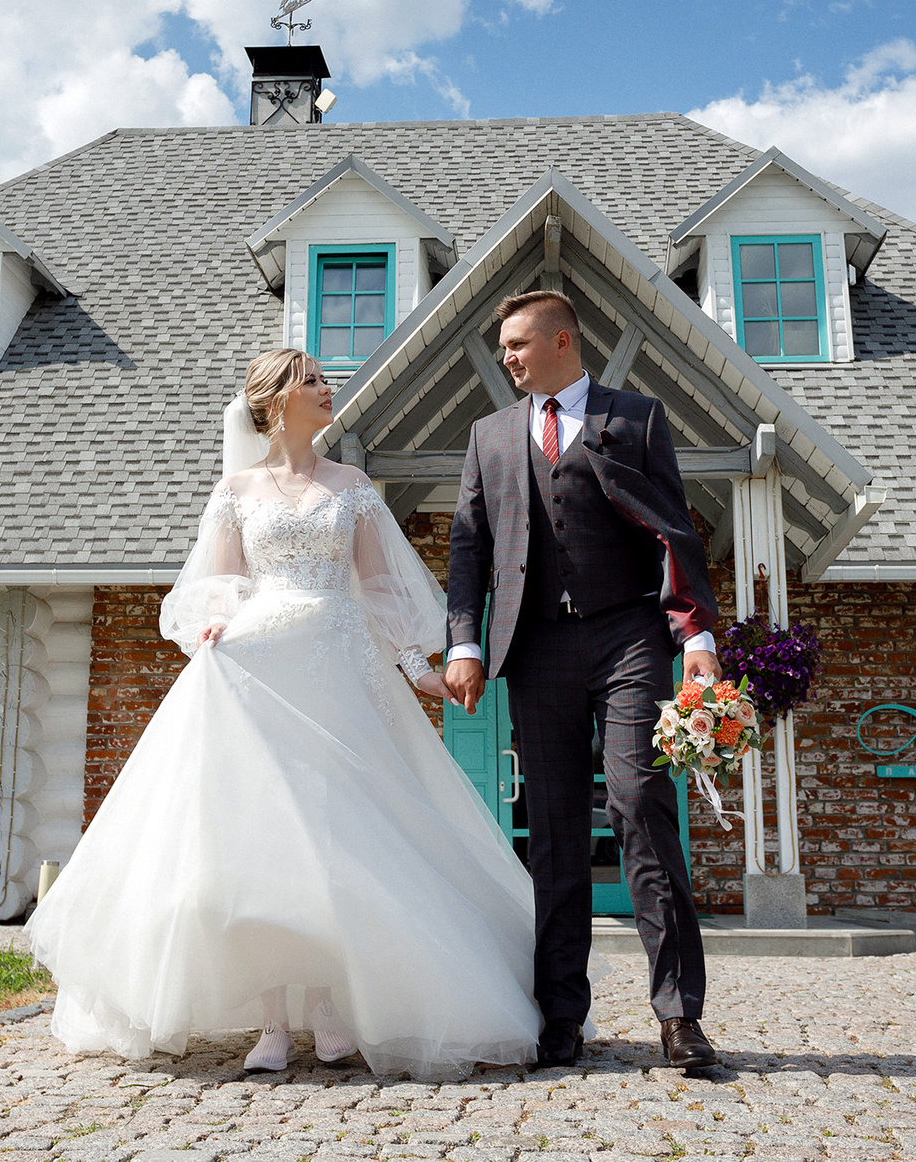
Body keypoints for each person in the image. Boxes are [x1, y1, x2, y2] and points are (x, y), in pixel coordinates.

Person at [27, 349, 540, 1078]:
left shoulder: (353, 486)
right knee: (258, 836)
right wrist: (214, 621)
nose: (329, 389)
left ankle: (328, 1005)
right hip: (256, 667)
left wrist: (420, 668)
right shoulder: (236, 489)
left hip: (335, 666)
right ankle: (272, 1019)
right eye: (314, 381)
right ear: (274, 401)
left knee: (339, 832)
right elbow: (220, 581)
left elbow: (382, 590)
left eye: (324, 380)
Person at [443, 290, 725, 1073]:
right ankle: (559, 1016)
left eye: (518, 344)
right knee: (557, 831)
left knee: (640, 802)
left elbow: (676, 531)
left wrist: (696, 635)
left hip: (628, 633)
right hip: (535, 647)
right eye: (503, 347)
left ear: (562, 340)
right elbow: (469, 551)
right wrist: (464, 642)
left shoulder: (636, 418)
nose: (506, 358)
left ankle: (679, 1015)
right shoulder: (489, 436)